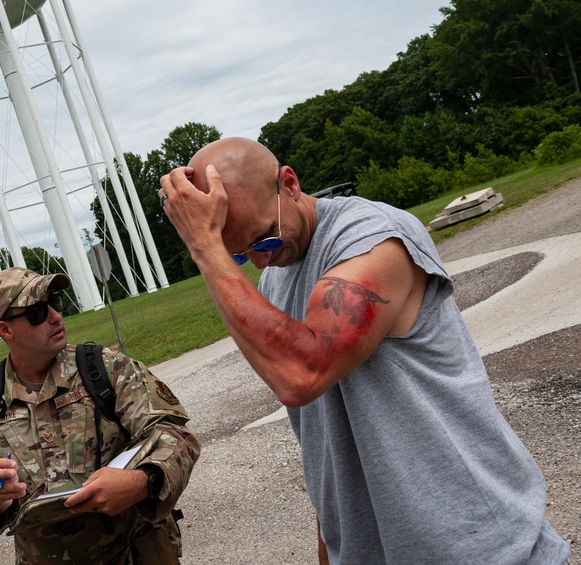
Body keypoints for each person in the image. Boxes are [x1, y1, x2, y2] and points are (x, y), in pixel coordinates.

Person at [159, 138, 570, 564]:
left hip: (476, 544)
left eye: (263, 240)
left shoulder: (374, 239)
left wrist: (206, 249)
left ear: (290, 183)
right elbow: (324, 440)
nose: (261, 262)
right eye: (239, 256)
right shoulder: (275, 279)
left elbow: (302, 374)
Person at [0, 268, 200, 564]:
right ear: (5, 330)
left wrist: (140, 481)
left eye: (55, 301)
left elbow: (174, 435)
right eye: (36, 312)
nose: (56, 316)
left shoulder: (104, 369)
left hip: (135, 553)